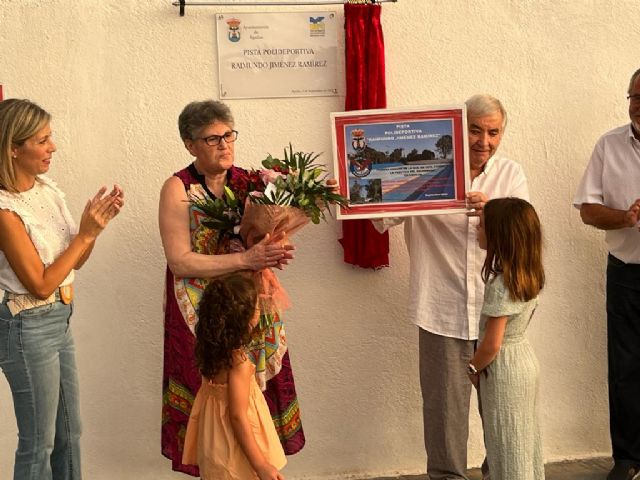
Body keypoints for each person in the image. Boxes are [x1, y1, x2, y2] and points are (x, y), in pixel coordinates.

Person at [374, 94, 529, 479]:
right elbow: (378, 218)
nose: (484, 141)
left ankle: (502, 474)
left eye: (493, 132)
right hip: (439, 308)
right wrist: (354, 184)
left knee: (503, 413)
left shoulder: (511, 174)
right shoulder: (425, 168)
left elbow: (523, 237)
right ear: (457, 129)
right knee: (444, 415)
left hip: (497, 316)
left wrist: (491, 211)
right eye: (475, 129)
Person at [159, 100, 304, 476]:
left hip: (248, 302)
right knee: (214, 398)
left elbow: (267, 233)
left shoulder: (251, 183)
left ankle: (261, 466)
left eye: (228, 135)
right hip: (199, 309)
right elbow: (180, 261)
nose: (224, 145)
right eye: (212, 138)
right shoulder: (178, 188)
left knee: (251, 395)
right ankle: (220, 466)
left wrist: (271, 251)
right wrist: (247, 260)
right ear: (190, 144)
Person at [0, 98, 124, 479]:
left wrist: (93, 232)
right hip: (26, 326)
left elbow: (72, 264)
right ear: (13, 148)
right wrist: (84, 234)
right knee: (39, 442)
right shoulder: (4, 210)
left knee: (70, 434)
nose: (52, 147)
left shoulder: (47, 190)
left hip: (59, 318)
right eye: (42, 140)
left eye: (50, 137)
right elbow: (39, 284)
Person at [573, 67, 640, 480]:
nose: (639, 105)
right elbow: (587, 210)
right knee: (626, 365)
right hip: (627, 273)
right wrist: (627, 216)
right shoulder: (609, 144)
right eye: (634, 96)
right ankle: (629, 457)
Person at [182, 272, 286, 480]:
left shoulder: (211, 350)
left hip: (214, 442)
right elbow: (237, 416)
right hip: (236, 449)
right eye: (256, 307)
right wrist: (261, 465)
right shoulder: (238, 362)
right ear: (245, 318)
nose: (259, 311)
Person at [468, 198, 545, 480]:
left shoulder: (500, 285)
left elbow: (492, 344)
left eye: (482, 226)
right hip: (524, 360)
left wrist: (472, 368)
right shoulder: (529, 275)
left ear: (500, 235)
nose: (477, 229)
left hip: (504, 370)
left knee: (505, 443)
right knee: (523, 440)